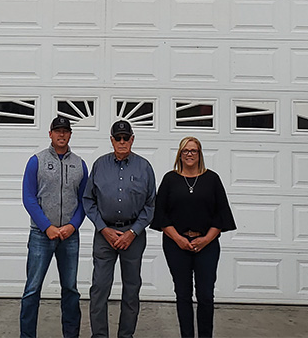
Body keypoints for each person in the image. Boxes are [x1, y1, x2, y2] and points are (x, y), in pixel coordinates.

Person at [150, 136, 236, 338]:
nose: (189, 154)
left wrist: (206, 239)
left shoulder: (211, 179)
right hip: (175, 245)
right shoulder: (170, 179)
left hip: (207, 245)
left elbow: (221, 215)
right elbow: (160, 215)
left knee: (205, 295)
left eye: (193, 151)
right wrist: (179, 239)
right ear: (180, 154)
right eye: (185, 151)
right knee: (183, 295)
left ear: (200, 154)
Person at [83, 120, 157, 338]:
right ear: (112, 140)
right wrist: (102, 228)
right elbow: (88, 200)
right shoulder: (99, 165)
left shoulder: (144, 167)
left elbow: (151, 204)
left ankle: (126, 335)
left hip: (133, 236)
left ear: (132, 139)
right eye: (118, 138)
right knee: (99, 289)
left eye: (126, 138)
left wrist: (133, 232)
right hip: (104, 235)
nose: (122, 142)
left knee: (131, 290)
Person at [20, 116, 89, 338]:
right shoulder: (36, 161)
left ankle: (71, 335)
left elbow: (84, 200)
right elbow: (29, 197)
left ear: (70, 135)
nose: (61, 135)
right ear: (50, 134)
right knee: (32, 290)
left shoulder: (79, 164)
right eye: (57, 131)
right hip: (42, 235)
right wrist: (47, 226)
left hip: (69, 237)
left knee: (70, 289)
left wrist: (73, 225)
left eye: (65, 131)